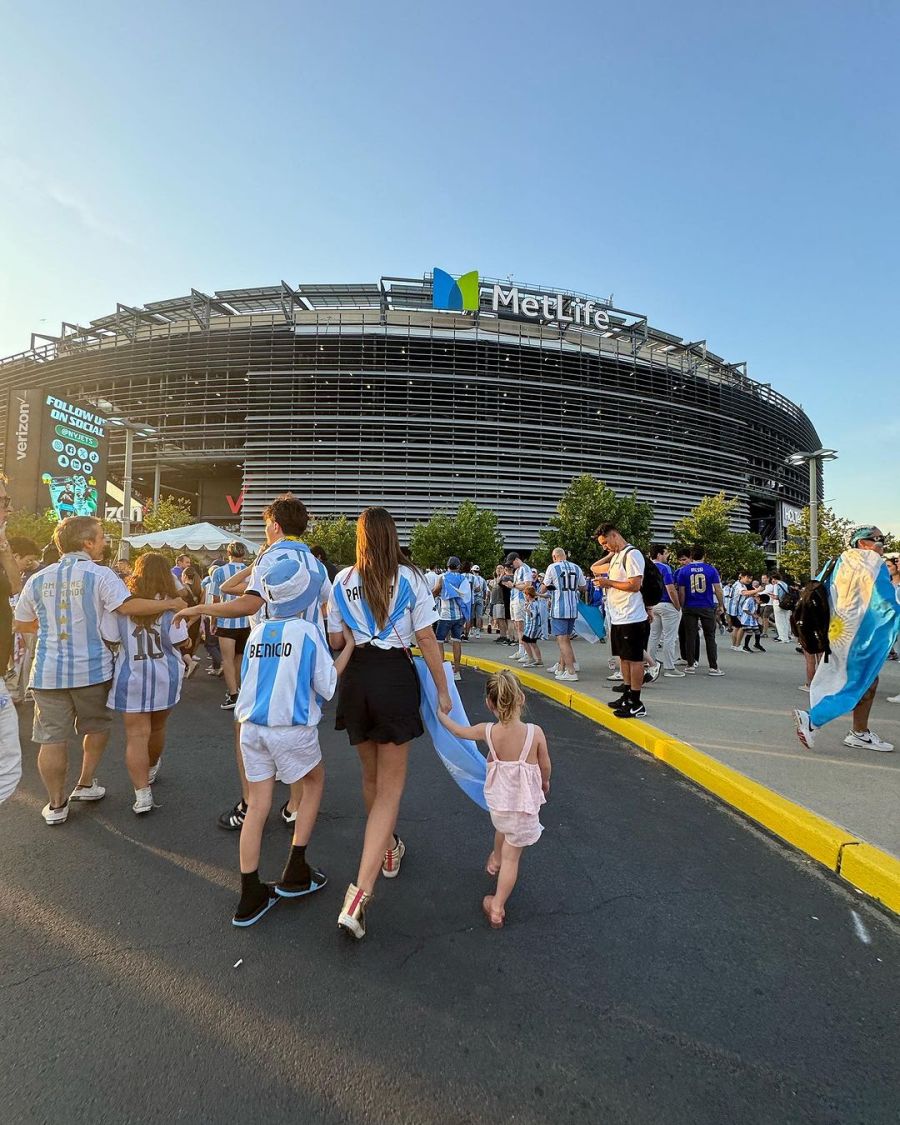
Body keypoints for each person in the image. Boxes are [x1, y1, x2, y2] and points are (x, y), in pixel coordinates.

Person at [327, 507, 451, 941]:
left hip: (358, 678)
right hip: (395, 679)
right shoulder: (411, 577)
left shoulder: (341, 581)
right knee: (391, 789)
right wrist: (444, 691)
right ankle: (359, 895)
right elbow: (427, 638)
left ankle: (389, 847)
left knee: (371, 778)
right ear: (391, 535)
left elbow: (336, 640)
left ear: (360, 538)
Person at [14, 516, 185, 825]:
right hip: (92, 670)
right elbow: (128, 607)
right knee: (96, 728)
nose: (106, 542)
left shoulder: (38, 579)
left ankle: (55, 805)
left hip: (47, 671)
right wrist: (171, 602)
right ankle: (85, 782)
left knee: (51, 738)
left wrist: (51, 628)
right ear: (87, 542)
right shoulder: (100, 575)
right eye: (102, 537)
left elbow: (23, 622)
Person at [176, 494, 330, 832]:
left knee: (245, 726)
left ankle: (250, 802)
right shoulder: (316, 565)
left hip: (269, 655)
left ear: (274, 525)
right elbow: (325, 611)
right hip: (304, 656)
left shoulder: (270, 560)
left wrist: (201, 609)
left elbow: (245, 601)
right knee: (299, 731)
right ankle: (294, 806)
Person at [230, 555, 356, 927]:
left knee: (258, 805)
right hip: (291, 728)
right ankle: (296, 867)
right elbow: (327, 686)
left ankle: (250, 893)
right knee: (313, 782)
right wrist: (348, 647)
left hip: (252, 727)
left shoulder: (257, 631)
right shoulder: (307, 633)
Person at [438, 669, 550, 929]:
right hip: (522, 808)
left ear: (489, 704)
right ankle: (497, 906)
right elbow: (546, 765)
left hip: (499, 806)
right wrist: (544, 782)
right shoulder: (535, 733)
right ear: (521, 698)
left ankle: (495, 857)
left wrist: (442, 716)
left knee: (503, 829)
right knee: (514, 857)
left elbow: (458, 731)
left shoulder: (488, 731)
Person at [795, 526, 900, 753]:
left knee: (863, 680)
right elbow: (885, 604)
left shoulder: (838, 561)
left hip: (838, 634)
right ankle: (814, 719)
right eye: (878, 539)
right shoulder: (872, 563)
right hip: (859, 637)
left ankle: (858, 732)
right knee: (857, 681)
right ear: (862, 543)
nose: (882, 544)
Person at [106, 553, 192, 813]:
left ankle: (142, 794)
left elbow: (110, 637)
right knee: (157, 728)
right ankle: (152, 767)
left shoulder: (122, 607)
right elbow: (182, 641)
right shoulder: (171, 607)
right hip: (165, 676)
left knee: (135, 736)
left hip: (130, 675)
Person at [591, 523, 649, 718]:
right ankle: (627, 693)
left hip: (632, 616)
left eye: (606, 542)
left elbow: (634, 585)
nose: (604, 546)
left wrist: (608, 582)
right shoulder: (618, 556)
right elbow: (595, 568)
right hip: (618, 616)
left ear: (615, 535)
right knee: (623, 658)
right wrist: (611, 552)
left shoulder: (632, 555)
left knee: (634, 660)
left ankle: (636, 701)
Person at [209, 542, 251, 710]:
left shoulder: (220, 572)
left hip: (226, 620)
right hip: (245, 620)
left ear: (228, 553)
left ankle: (233, 694)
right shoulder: (250, 571)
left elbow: (215, 599)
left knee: (227, 659)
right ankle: (238, 690)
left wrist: (213, 621)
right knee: (239, 659)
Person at [675, 547, 726, 675]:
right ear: (704, 555)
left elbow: (682, 591)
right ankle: (713, 667)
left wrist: (682, 606)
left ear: (691, 556)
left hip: (689, 606)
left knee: (690, 636)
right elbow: (718, 589)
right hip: (706, 605)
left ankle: (690, 664)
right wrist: (721, 605)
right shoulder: (711, 569)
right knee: (710, 636)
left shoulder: (684, 570)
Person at [540, 547, 586, 681]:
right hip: (572, 607)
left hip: (559, 608)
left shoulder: (553, 567)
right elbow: (583, 587)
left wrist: (550, 586)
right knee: (565, 639)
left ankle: (571, 671)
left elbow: (543, 587)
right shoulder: (576, 567)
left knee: (561, 640)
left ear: (555, 557)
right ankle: (562, 667)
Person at [645, 544, 683, 678]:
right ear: (659, 554)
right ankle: (669, 667)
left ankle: (651, 663)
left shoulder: (646, 567)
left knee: (654, 636)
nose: (667, 556)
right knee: (669, 637)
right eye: (666, 553)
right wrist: (677, 606)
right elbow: (670, 589)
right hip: (667, 604)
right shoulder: (665, 568)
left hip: (652, 605)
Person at [434, 556, 469, 681]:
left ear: (447, 566)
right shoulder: (462, 578)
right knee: (457, 641)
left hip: (445, 615)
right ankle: (457, 671)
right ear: (458, 566)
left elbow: (436, 591)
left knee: (439, 642)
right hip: (459, 615)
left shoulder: (442, 577)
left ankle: (442, 671)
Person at [504, 551, 532, 661]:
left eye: (512, 563)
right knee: (517, 625)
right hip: (514, 599)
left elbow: (527, 584)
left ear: (516, 559)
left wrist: (514, 585)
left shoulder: (525, 568)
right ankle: (521, 650)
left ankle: (525, 652)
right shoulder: (517, 571)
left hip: (520, 599)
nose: (511, 565)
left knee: (521, 626)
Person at [520, 585, 544, 667]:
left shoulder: (533, 604)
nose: (525, 596)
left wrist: (527, 611)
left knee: (525, 641)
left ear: (528, 595)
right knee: (533, 643)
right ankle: (538, 659)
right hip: (532, 626)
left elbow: (533, 615)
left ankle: (531, 658)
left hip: (532, 626)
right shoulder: (534, 603)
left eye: (525, 595)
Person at [467, 564, 488, 638]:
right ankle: (478, 632)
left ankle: (471, 630)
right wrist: (484, 599)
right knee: (479, 615)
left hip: (472, 598)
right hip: (480, 598)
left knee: (472, 615)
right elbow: (486, 590)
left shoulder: (471, 578)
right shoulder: (482, 580)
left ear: (472, 570)